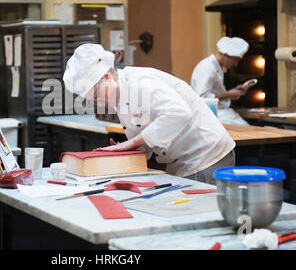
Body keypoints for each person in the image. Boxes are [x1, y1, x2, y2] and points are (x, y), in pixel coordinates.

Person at [63, 43, 236, 185]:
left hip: (206, 157)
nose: (99, 103)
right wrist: (130, 149)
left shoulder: (141, 82)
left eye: (97, 95)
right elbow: (149, 135)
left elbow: (179, 113)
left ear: (107, 77)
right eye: (93, 100)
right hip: (182, 161)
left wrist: (134, 142)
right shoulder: (119, 97)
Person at [190, 37, 250, 125]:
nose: (236, 64)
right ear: (226, 55)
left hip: (221, 111)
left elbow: (213, 93)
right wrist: (229, 94)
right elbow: (203, 98)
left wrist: (233, 92)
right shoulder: (208, 67)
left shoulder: (216, 66)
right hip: (213, 113)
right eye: (235, 60)